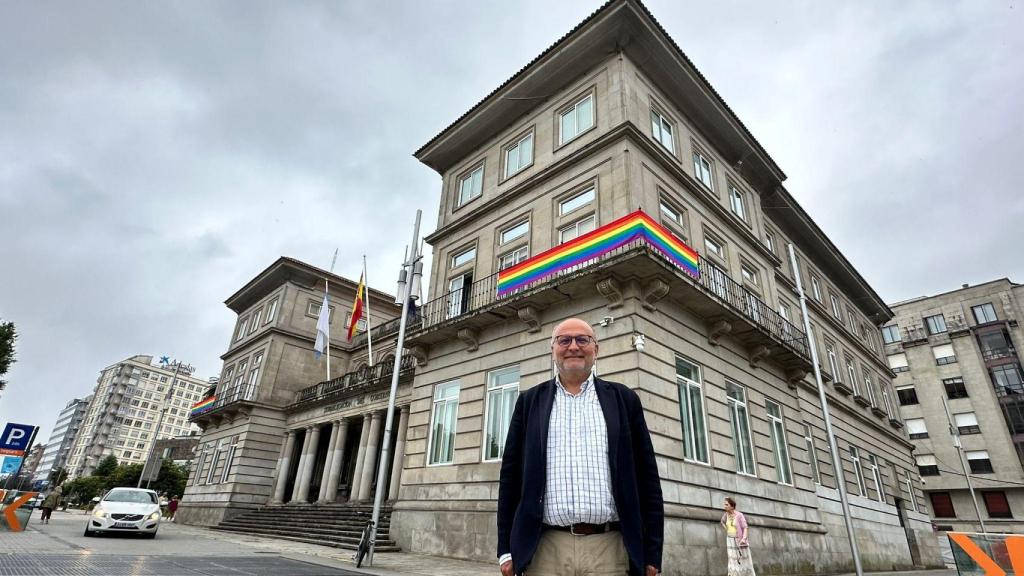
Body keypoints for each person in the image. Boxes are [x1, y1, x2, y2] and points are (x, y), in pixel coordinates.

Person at [497, 318, 664, 576]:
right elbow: (510, 479)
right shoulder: (529, 402)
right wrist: (505, 550)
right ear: (552, 349)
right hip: (545, 550)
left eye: (582, 340)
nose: (573, 346)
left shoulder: (624, 399)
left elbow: (648, 479)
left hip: (610, 550)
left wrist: (652, 552)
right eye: (564, 340)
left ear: (596, 349)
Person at [721, 497, 755, 576]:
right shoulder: (726, 515)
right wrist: (728, 530)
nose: (724, 506)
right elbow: (722, 522)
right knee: (732, 561)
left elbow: (745, 527)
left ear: (732, 506)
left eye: (726, 504)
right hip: (730, 541)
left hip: (739, 541)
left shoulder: (739, 515)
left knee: (742, 561)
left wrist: (744, 538)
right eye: (724, 504)